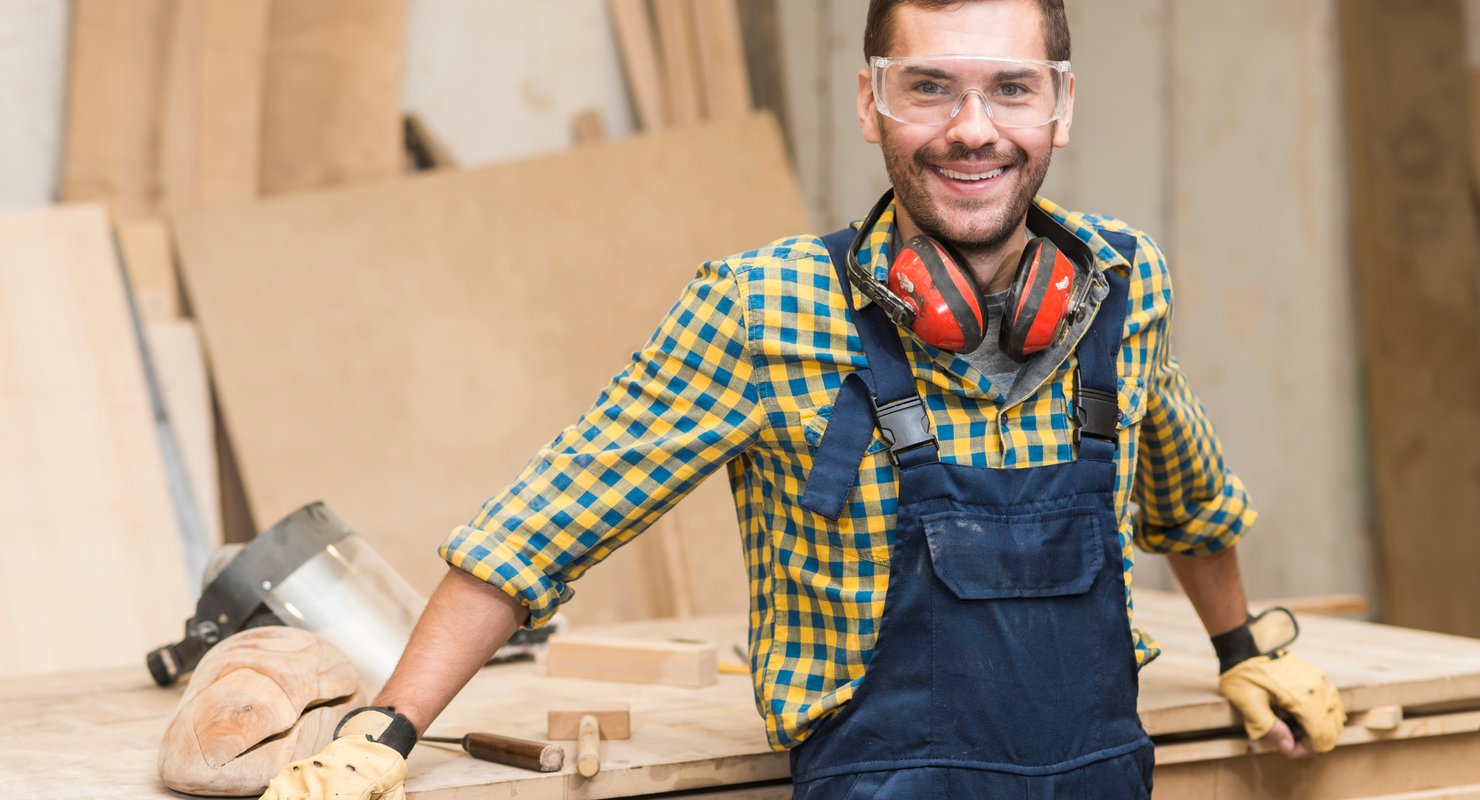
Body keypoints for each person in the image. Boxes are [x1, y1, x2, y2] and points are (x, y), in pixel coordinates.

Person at [261, 1, 1346, 797]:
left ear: (1058, 107)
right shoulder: (764, 307)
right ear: (871, 103)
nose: (973, 128)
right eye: (928, 87)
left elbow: (1185, 490)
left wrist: (1243, 647)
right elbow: (542, 522)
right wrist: (384, 729)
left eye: (1010, 87)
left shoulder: (1125, 282)